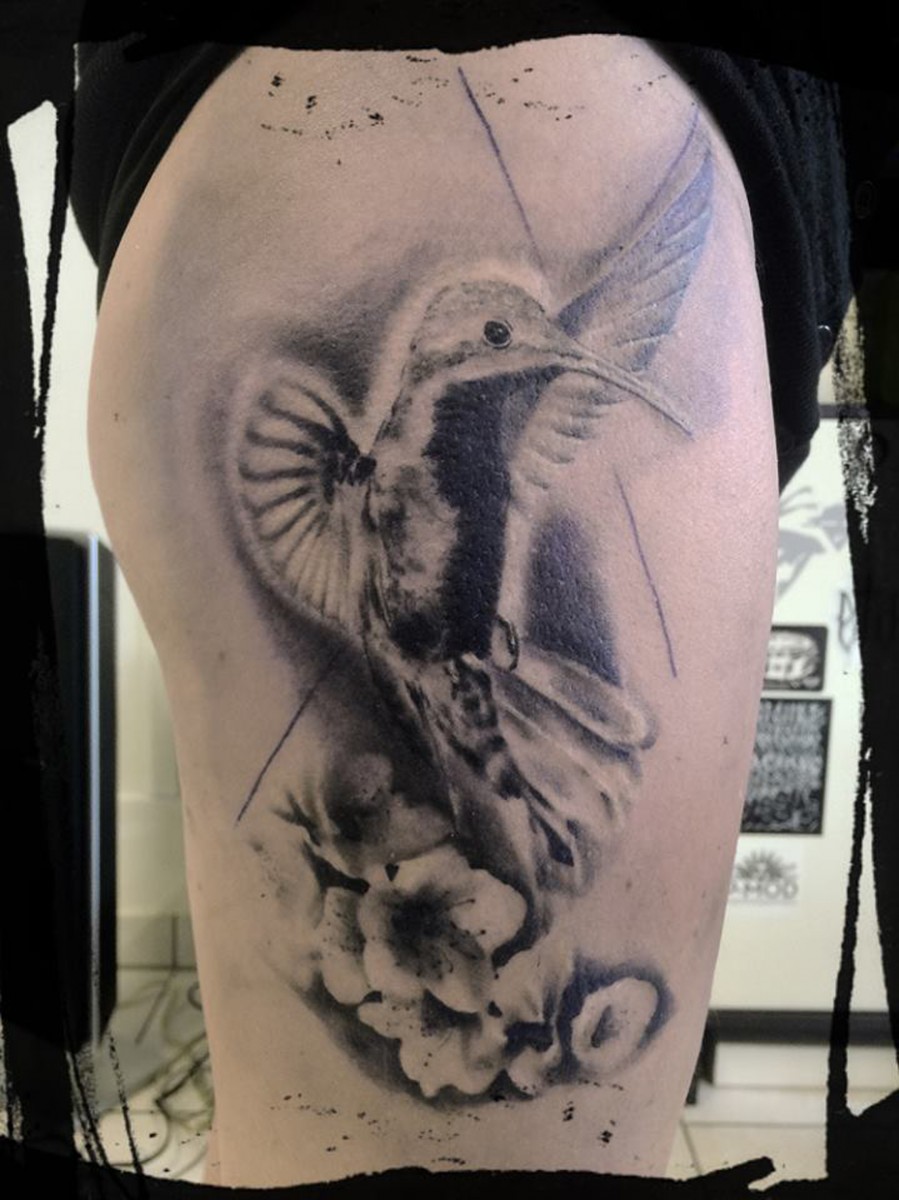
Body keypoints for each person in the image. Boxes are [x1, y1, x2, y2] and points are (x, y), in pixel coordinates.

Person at [74, 18, 851, 1187]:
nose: (534, 355)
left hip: (476, 654)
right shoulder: (521, 107)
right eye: (501, 340)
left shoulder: (494, 424)